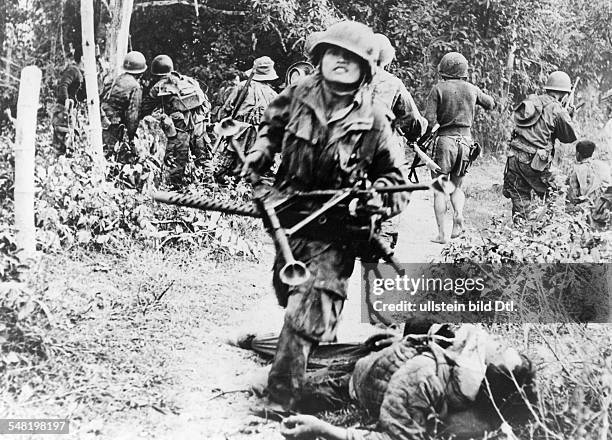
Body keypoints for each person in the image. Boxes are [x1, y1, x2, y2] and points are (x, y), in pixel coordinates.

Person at [240, 20, 409, 411]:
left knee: (312, 301)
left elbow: (396, 182)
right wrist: (260, 153)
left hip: (336, 227)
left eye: (351, 58)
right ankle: (319, 352)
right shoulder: (297, 93)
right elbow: (271, 127)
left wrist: (379, 199)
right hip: (289, 215)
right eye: (335, 53)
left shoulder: (375, 119)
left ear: (366, 68)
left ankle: (282, 396)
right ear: (321, 57)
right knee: (289, 292)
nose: (341, 62)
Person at [239, 325, 536, 440]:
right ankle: (252, 340)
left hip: (352, 383)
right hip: (377, 356)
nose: (493, 343)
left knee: (268, 382)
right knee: (310, 347)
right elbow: (436, 337)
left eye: (498, 352)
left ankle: (254, 344)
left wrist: (328, 431)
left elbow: (396, 437)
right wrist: (403, 340)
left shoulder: (426, 381)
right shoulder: (466, 357)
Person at [424, 52, 495, 243]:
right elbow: (491, 104)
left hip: (445, 142)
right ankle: (458, 215)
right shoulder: (471, 89)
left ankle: (441, 234)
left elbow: (429, 121)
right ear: (464, 72)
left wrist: (424, 137)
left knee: (440, 189)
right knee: (456, 186)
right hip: (466, 142)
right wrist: (474, 94)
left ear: (443, 71)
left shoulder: (438, 89)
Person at [370, 33, 428, 251]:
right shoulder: (393, 84)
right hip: (382, 150)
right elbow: (412, 120)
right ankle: (384, 236)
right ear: (387, 58)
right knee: (395, 189)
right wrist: (414, 135)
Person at [502, 71, 578, 221]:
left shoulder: (532, 101)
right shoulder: (558, 109)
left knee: (520, 197)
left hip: (514, 159)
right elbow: (569, 137)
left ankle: (520, 233)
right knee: (556, 192)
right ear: (564, 93)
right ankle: (548, 227)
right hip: (535, 162)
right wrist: (570, 116)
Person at [141, 54, 211, 188]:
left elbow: (145, 107)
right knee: (203, 158)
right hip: (198, 122)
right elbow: (205, 102)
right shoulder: (189, 81)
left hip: (180, 126)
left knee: (177, 161)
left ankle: (175, 190)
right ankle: (209, 186)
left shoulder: (159, 86)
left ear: (155, 72)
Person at [214, 56, 279, 180]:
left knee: (225, 168)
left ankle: (224, 188)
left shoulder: (243, 86)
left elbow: (227, 108)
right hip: (258, 136)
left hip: (237, 133)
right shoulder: (273, 95)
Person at [100, 51, 147, 156]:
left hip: (103, 117)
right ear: (141, 72)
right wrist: (131, 137)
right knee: (111, 155)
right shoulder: (135, 86)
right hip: (113, 124)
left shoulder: (118, 78)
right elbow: (133, 115)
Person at [52, 47, 85, 154]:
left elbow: (80, 96)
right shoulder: (73, 70)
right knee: (61, 145)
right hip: (63, 111)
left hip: (70, 112)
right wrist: (66, 101)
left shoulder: (81, 73)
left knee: (70, 144)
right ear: (83, 58)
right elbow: (63, 85)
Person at [567, 140, 611, 205]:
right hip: (606, 200)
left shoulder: (577, 169)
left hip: (589, 203)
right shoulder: (603, 165)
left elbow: (575, 195)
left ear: (578, 154)